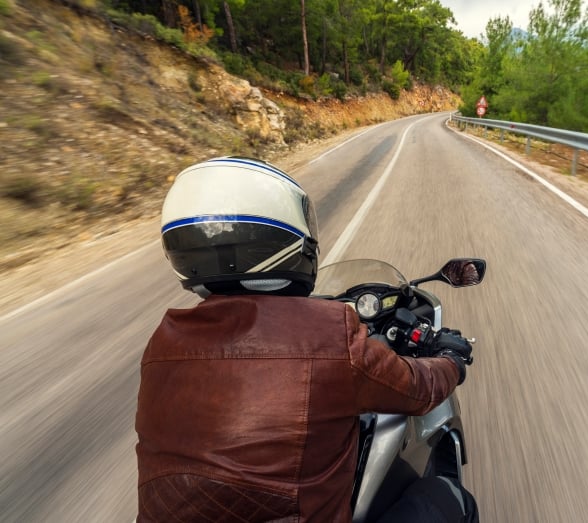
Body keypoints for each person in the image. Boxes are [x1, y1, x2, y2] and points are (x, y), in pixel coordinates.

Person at [135, 156, 478, 522]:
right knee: (452, 499)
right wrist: (451, 361)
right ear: (288, 236)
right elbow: (417, 389)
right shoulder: (327, 334)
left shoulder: (163, 343)